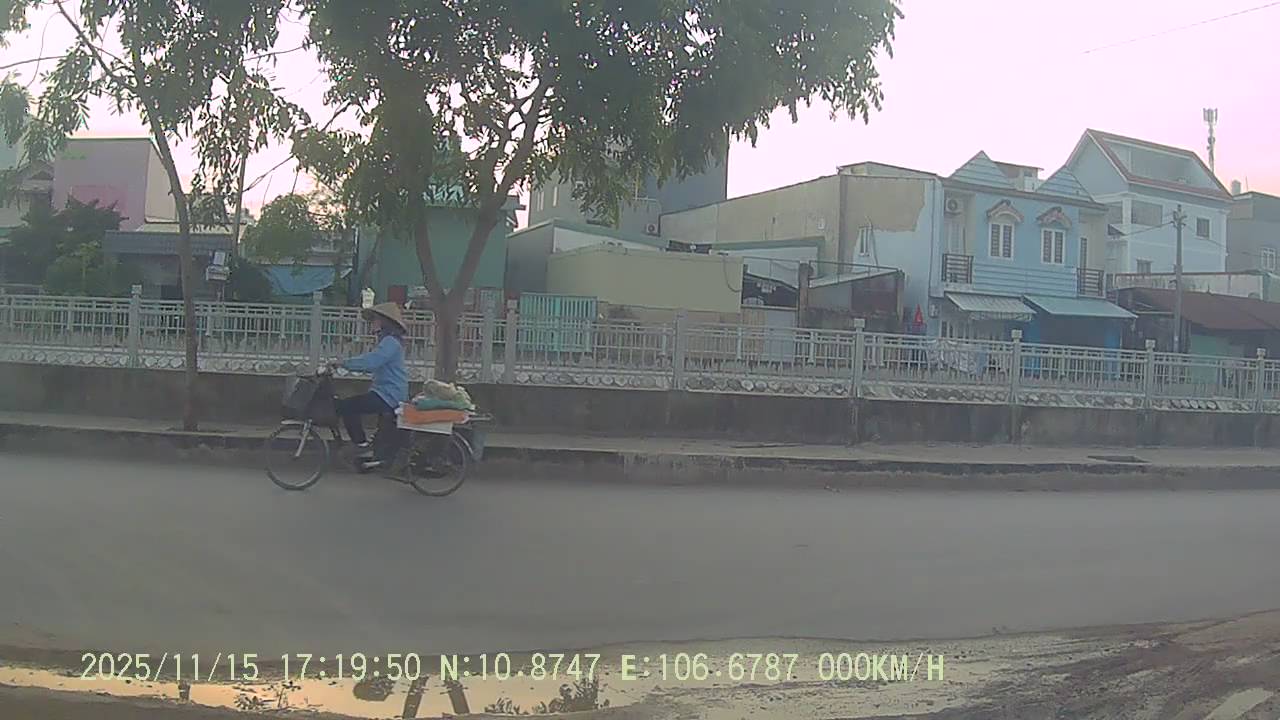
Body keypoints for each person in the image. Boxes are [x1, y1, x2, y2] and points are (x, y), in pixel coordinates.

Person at [335, 302, 409, 472]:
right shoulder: (387, 341)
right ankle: (370, 452)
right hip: (384, 392)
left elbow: (371, 362)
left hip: (390, 394)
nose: (372, 323)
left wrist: (344, 363)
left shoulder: (390, 342)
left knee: (348, 406)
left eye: (375, 319)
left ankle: (361, 445)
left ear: (384, 322)